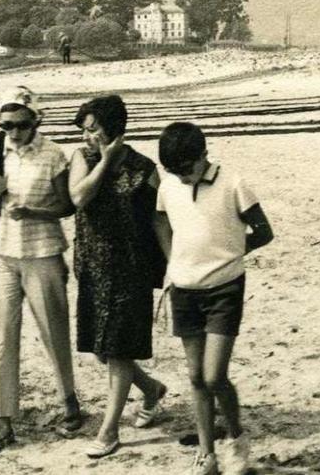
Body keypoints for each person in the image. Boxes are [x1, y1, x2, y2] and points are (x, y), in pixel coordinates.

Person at [155, 122, 274, 475]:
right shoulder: (169, 186)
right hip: (184, 290)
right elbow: (161, 221)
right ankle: (206, 455)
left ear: (203, 156)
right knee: (195, 377)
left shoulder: (233, 184)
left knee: (214, 376)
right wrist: (171, 260)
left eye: (187, 169)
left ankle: (236, 441)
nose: (182, 177)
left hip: (224, 288)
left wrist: (233, 251)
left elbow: (264, 232)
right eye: (173, 171)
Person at [0, 85, 82, 459]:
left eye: (20, 124)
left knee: (54, 332)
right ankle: (3, 420)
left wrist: (35, 212)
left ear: (35, 119)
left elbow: (68, 206)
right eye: (6, 125)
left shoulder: (54, 155)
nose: (14, 133)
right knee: (3, 337)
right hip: (1, 251)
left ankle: (70, 402)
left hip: (43, 251)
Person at [69, 95, 169, 458]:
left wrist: (173, 265)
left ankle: (109, 432)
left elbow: (161, 220)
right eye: (84, 130)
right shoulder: (82, 159)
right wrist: (106, 162)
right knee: (102, 351)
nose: (86, 137)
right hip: (92, 269)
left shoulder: (145, 168)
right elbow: (78, 197)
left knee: (119, 350)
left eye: (92, 130)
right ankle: (151, 389)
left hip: (132, 270)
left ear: (114, 129)